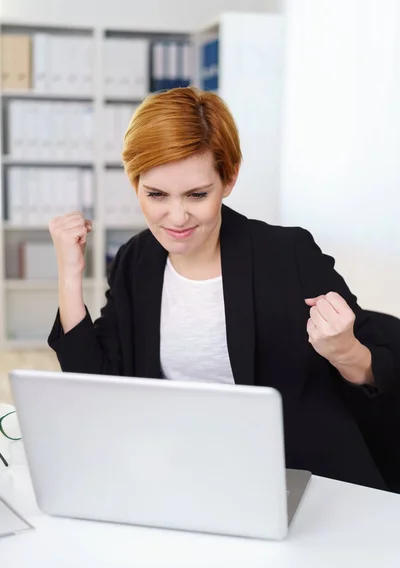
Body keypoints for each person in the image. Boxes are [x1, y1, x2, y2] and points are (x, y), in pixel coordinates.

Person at [48, 86, 395, 490]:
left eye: (197, 194)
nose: (176, 217)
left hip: (287, 475)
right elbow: (97, 385)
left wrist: (346, 352)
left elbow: (382, 374)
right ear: (135, 183)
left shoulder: (287, 254)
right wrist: (70, 275)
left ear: (228, 179)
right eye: (156, 194)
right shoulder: (137, 259)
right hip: (176, 468)